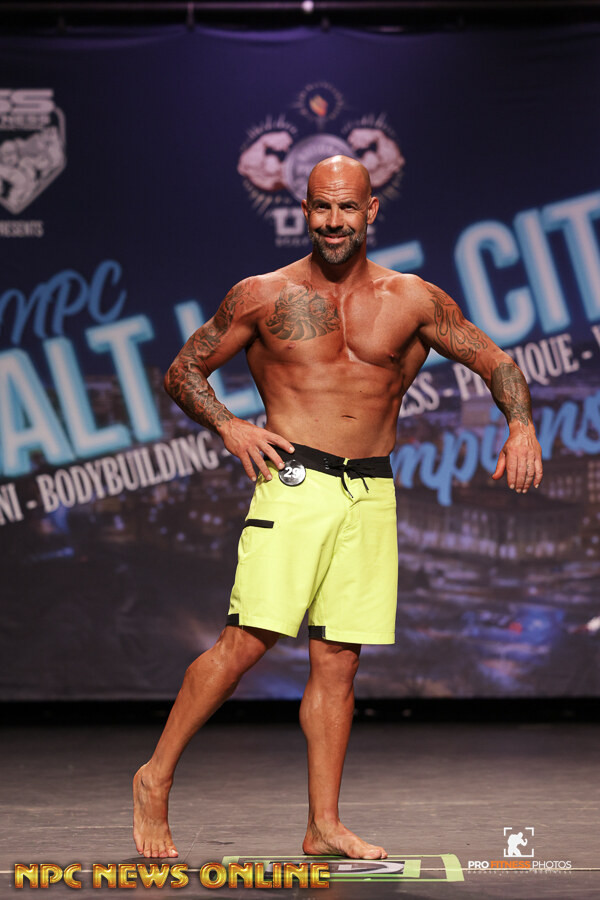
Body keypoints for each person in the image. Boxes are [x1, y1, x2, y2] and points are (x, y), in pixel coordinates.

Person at [133, 154, 543, 860]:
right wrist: (230, 425)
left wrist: (521, 424)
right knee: (245, 644)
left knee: (338, 663)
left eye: (347, 207)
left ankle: (322, 824)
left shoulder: (412, 299)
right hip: (296, 482)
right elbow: (182, 370)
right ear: (304, 210)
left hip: (371, 490)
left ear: (370, 211)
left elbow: (496, 361)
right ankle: (155, 777)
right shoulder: (262, 295)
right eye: (321, 207)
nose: (333, 221)